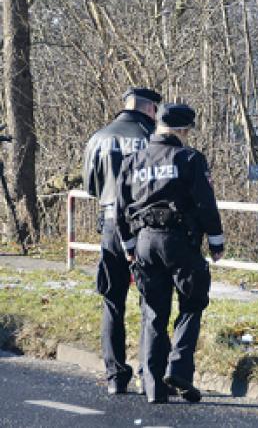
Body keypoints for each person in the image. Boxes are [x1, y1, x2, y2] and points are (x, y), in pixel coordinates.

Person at [115, 104, 225, 404]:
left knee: (153, 312)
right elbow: (205, 203)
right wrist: (216, 241)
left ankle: (152, 386)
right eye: (187, 131)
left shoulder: (133, 160)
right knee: (192, 302)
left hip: (144, 242)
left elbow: (120, 208)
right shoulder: (188, 158)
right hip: (179, 241)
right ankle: (179, 369)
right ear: (181, 130)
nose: (188, 137)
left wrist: (127, 247)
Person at [82, 87, 162, 395]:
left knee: (112, 300)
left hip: (111, 225)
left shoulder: (99, 137)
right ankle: (147, 374)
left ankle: (115, 376)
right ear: (151, 109)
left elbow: (91, 186)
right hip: (144, 225)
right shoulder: (152, 138)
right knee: (150, 301)